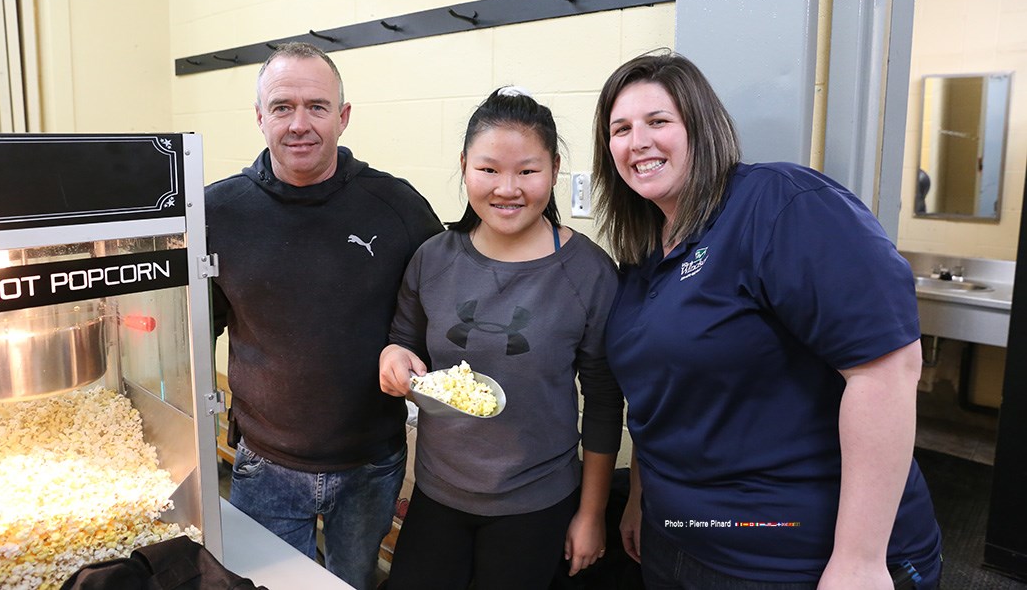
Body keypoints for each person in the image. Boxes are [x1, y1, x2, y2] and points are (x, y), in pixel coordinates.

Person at [591, 51, 942, 589]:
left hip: (793, 557)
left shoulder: (779, 204)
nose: (637, 141)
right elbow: (658, 394)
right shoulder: (644, 254)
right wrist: (641, 498)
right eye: (621, 129)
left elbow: (886, 369)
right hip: (679, 539)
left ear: (702, 128)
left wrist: (859, 560)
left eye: (658, 121)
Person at [205, 42, 443, 590]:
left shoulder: (398, 207)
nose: (299, 124)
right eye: (282, 107)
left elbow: (438, 308)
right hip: (264, 465)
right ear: (260, 117)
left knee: (352, 581)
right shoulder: (219, 212)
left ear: (343, 116)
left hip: (371, 465)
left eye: (316, 106)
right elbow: (194, 329)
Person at [378, 87, 625, 589]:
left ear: (554, 170)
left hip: (537, 501)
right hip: (438, 491)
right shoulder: (433, 257)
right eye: (488, 169)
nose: (507, 189)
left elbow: (604, 401)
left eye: (527, 171)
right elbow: (403, 339)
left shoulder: (589, 272)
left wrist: (591, 514)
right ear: (464, 166)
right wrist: (394, 356)